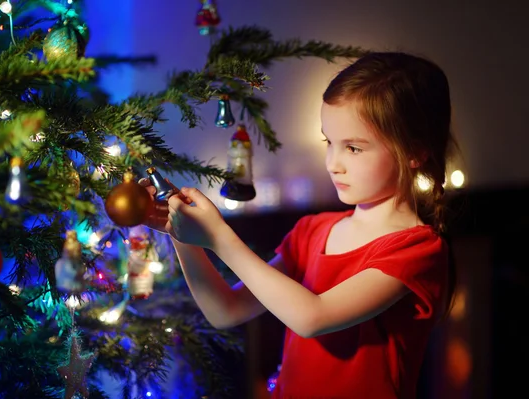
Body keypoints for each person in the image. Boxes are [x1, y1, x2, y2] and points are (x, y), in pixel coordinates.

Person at [139, 51, 458, 399]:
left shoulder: (416, 249)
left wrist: (218, 236)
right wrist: (182, 234)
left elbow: (311, 318)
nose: (333, 163)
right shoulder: (312, 233)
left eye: (353, 148)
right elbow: (225, 310)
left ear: (414, 151)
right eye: (329, 142)